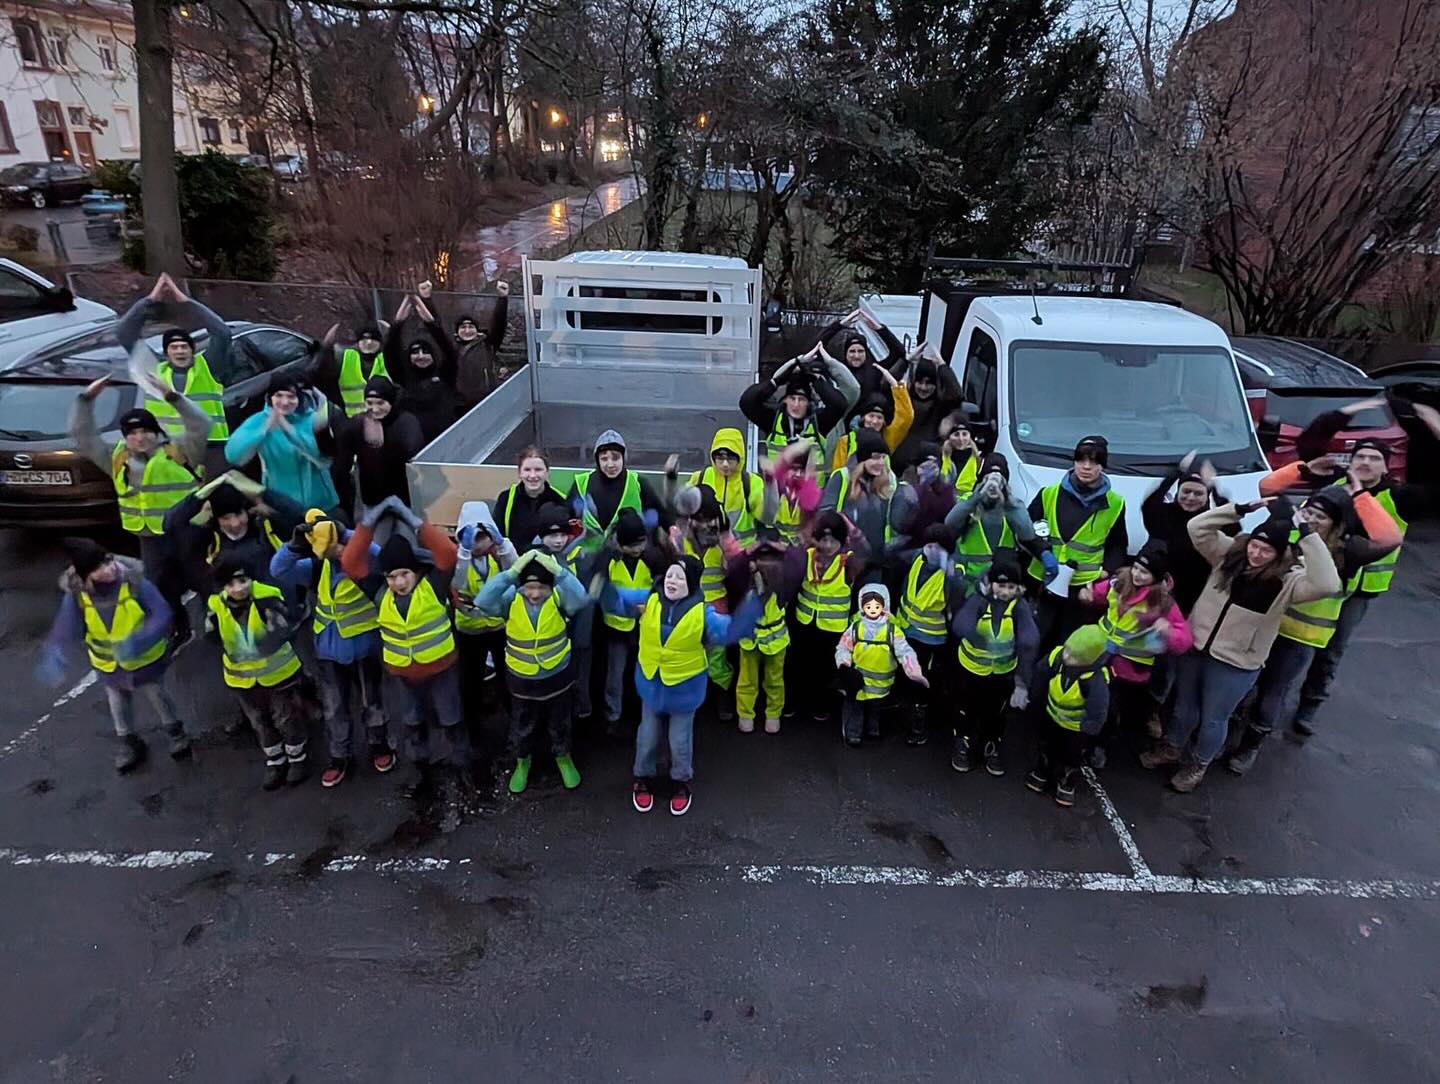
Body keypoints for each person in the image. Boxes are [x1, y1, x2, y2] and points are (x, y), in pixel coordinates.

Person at [1260, 399, 1440, 734]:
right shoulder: (1336, 486)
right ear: (1352, 462)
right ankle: (1268, 700)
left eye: (1375, 458)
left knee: (1331, 650)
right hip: (1317, 579)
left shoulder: (1399, 498)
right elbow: (1311, 442)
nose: (1366, 462)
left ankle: (1309, 706)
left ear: (1385, 467)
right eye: (1361, 457)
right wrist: (1353, 410)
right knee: (1290, 643)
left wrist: (1433, 427)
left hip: (1358, 590)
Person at [1141, 501, 1340, 793]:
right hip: (1197, 647)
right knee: (1183, 709)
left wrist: (1306, 533)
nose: (1256, 554)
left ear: (1279, 555)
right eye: (1254, 545)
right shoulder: (1227, 557)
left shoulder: (1289, 582)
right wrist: (1239, 509)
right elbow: (1197, 527)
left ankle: (1198, 764)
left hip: (1235, 663)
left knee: (1213, 719)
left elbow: (1328, 583)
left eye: (1266, 550)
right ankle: (1171, 748)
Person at [1228, 480, 1401, 773]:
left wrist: (1360, 496)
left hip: (1301, 637)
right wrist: (1305, 470)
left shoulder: (1349, 550)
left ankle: (1251, 745)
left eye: (1321, 516)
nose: (1312, 519)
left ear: (1337, 522)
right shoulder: (1293, 535)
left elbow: (1390, 539)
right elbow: (1268, 487)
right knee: (1245, 683)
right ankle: (1232, 727)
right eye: (1309, 512)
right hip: (1267, 627)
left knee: (1273, 691)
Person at [614, 554, 765, 815]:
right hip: (652, 685)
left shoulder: (703, 614)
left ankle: (680, 782)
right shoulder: (648, 599)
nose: (671, 581)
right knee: (647, 737)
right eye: (670, 575)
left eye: (679, 577)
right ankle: (642, 777)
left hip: (684, 691)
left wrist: (752, 608)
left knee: (679, 741)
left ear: (692, 584)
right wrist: (600, 585)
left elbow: (730, 630)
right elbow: (617, 598)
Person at [70, 374, 209, 644]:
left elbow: (200, 424)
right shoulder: (117, 458)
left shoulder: (179, 451)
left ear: (156, 432)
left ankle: (217, 623)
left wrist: (172, 397)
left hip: (187, 532)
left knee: (203, 580)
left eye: (145, 431)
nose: (140, 437)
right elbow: (82, 435)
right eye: (132, 433)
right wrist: (85, 401)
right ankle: (179, 628)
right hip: (149, 537)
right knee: (159, 586)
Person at [39, 540, 191, 772]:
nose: (109, 569)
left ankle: (175, 732)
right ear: (85, 576)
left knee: (157, 695)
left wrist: (138, 641)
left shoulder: (134, 582)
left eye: (107, 561)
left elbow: (161, 613)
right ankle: (128, 741)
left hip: (145, 661)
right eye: (99, 568)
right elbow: (67, 624)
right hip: (109, 665)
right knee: (118, 703)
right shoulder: (77, 595)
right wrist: (56, 648)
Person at [342, 498, 466, 779]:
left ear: (416, 571)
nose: (398, 582)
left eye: (404, 574)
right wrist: (368, 523)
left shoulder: (433, 586)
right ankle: (421, 768)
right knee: (412, 722)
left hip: (441, 669)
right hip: (404, 676)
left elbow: (448, 553)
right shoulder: (379, 592)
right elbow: (350, 562)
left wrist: (412, 519)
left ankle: (461, 766)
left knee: (451, 719)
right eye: (391, 576)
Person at [271, 509, 395, 789]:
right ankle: (339, 756)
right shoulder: (316, 567)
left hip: (364, 646)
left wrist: (345, 536)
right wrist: (294, 547)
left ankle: (379, 744)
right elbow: (279, 570)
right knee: (334, 706)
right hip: (329, 650)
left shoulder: (363, 559)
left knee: (372, 701)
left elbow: (379, 554)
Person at [474, 548, 589, 795]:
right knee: (522, 724)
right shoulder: (511, 598)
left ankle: (563, 757)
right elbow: (483, 601)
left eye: (541, 587)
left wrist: (559, 572)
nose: (535, 593)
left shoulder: (559, 597)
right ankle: (522, 761)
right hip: (521, 681)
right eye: (529, 587)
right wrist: (510, 574)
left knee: (560, 722)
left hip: (557, 677)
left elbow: (581, 599)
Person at [205, 562, 309, 789]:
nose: (238, 588)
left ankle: (297, 758)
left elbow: (282, 630)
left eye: (243, 581)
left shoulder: (268, 598)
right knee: (260, 722)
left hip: (278, 674)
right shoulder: (216, 605)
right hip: (242, 680)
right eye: (231, 584)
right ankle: (275, 760)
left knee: (285, 718)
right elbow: (211, 635)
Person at [1080, 540, 1193, 749]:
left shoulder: (1162, 602)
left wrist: (1168, 631)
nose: (1137, 575)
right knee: (1090, 699)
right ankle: (1087, 739)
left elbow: (1184, 640)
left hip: (1129, 669)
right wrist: (1088, 595)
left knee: (1111, 709)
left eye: (1144, 572)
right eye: (1136, 568)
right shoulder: (1119, 583)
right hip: (1099, 654)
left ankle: (1100, 745)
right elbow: (1099, 594)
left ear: (1156, 577)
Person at [1027, 436, 1128, 645]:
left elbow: (1118, 545)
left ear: (1102, 466)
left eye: (1094, 462)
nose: (1086, 467)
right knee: (1035, 639)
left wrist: (1106, 572)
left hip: (1083, 586)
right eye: (1081, 460)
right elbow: (1026, 531)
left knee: (1070, 643)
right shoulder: (1048, 493)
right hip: (1045, 578)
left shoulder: (1115, 503)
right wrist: (1042, 552)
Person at [116, 272, 233, 448]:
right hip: (168, 447)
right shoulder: (154, 369)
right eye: (174, 347)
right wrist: (151, 300)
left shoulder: (208, 366)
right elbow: (124, 333)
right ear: (167, 352)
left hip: (209, 445)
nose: (180, 351)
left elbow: (222, 333)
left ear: (192, 350)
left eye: (184, 346)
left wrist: (186, 302)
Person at [950, 554, 1039, 775]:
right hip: (971, 670)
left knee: (996, 713)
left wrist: (1022, 683)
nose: (1006, 592)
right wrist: (977, 638)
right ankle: (964, 741)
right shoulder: (979, 600)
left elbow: (1029, 641)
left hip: (1002, 673)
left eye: (1011, 587)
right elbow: (961, 624)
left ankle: (992, 743)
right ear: (991, 584)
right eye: (1001, 585)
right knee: (966, 709)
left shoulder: (1019, 607)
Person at [165, 470, 305, 588]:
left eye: (239, 514)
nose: (235, 524)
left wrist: (260, 491)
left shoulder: (266, 528)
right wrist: (202, 494)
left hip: (276, 608)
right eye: (226, 518)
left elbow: (300, 516)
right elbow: (171, 523)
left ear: (247, 511)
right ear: (216, 518)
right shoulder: (206, 539)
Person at [594, 509, 666, 735]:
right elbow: (600, 591)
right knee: (615, 675)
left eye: (641, 543)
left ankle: (645, 712)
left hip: (645, 626)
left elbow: (661, 586)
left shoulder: (652, 558)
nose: (638, 549)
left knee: (646, 671)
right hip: (616, 628)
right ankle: (613, 715)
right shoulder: (608, 560)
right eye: (632, 545)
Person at [894, 524, 967, 746]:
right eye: (929, 546)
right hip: (905, 628)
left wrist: (949, 571)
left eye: (938, 548)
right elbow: (897, 557)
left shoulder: (952, 574)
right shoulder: (919, 558)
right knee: (906, 672)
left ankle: (919, 718)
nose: (932, 551)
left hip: (930, 637)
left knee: (922, 678)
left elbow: (956, 600)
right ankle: (906, 707)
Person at [225, 373, 340, 514]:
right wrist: (263, 430)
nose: (285, 402)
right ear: (269, 398)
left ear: (299, 398)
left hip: (322, 504)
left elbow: (324, 460)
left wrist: (288, 429)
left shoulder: (313, 419)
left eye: (291, 396)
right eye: (279, 395)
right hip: (282, 505)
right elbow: (233, 455)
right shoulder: (259, 421)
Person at [789, 510, 865, 721]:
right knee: (799, 665)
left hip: (832, 627)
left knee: (823, 669)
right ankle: (795, 701)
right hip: (805, 622)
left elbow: (866, 552)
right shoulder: (808, 555)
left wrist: (852, 530)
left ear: (842, 541)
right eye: (824, 540)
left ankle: (820, 704)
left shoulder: (849, 562)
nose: (828, 545)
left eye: (834, 541)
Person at [1024, 625, 1111, 808]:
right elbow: (1040, 674)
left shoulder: (1094, 680)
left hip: (1075, 729)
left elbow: (1099, 709)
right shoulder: (1057, 657)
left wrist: (1089, 729)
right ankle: (1043, 770)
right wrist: (1033, 698)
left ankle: (1067, 780)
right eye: (1067, 650)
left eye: (1074, 656)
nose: (1067, 656)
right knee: (1046, 746)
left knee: (1071, 756)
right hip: (1051, 717)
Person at [450, 501, 519, 730]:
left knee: (507, 677)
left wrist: (502, 543)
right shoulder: (458, 559)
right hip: (470, 629)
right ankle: (472, 728)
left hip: (499, 627)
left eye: (482, 537)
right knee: (470, 680)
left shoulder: (498, 555)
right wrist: (464, 552)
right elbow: (457, 584)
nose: (478, 544)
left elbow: (516, 571)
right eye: (472, 538)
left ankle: (514, 723)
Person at [834, 583, 928, 747]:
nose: (872, 609)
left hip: (880, 684)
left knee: (874, 707)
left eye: (877, 606)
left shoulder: (892, 631)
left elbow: (905, 651)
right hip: (859, 682)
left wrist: (914, 671)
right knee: (857, 706)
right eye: (868, 606)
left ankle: (872, 729)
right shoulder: (856, 628)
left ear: (884, 606)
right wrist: (844, 664)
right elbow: (843, 647)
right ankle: (854, 733)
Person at [946, 453, 1055, 591]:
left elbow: (1027, 533)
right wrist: (977, 496)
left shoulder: (1013, 506)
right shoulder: (969, 501)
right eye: (988, 478)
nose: (993, 486)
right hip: (968, 581)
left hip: (1001, 582)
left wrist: (1008, 499)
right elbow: (950, 523)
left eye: (999, 480)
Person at [1140, 452, 1232, 615]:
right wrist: (1177, 472)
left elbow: (1233, 526)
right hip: (1162, 589)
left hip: (1198, 592)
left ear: (1207, 497)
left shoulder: (1212, 520)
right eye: (1186, 491)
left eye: (1198, 493)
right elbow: (1149, 504)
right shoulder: (1164, 515)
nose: (1191, 497)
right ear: (1178, 492)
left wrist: (1214, 488)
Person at [726, 530, 795, 735]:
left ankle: (773, 713)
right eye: (761, 557)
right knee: (747, 679)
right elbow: (733, 568)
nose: (766, 563)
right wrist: (748, 552)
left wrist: (784, 548)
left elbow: (799, 561)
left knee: (774, 680)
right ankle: (745, 713)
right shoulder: (746, 577)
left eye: (771, 557)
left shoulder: (784, 577)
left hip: (776, 640)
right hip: (751, 638)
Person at [330, 376, 425, 516]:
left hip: (406, 499)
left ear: (390, 401)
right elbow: (341, 463)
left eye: (380, 403)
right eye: (369, 403)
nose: (374, 409)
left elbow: (414, 454)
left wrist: (385, 446)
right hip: (373, 500)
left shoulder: (406, 422)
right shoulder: (358, 425)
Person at [740, 347, 850, 468]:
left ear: (808, 402)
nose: (796, 405)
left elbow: (839, 404)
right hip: (780, 480)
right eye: (792, 398)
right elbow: (747, 401)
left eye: (801, 399)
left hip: (811, 481)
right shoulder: (773, 420)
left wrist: (814, 380)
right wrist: (777, 381)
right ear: (785, 400)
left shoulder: (818, 422)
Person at [567, 429, 670, 553]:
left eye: (615, 458)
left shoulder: (638, 483)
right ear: (597, 460)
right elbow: (565, 518)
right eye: (604, 459)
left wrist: (673, 532)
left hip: (627, 557)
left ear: (623, 458)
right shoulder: (581, 483)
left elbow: (663, 516)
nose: (610, 464)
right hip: (587, 559)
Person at [820, 428, 896, 583]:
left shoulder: (886, 482)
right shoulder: (842, 477)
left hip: (875, 562)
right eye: (875, 457)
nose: (880, 463)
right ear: (862, 458)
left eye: (883, 457)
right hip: (844, 561)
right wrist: (849, 528)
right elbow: (825, 512)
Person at [383, 293, 461, 444]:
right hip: (415, 443)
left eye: (425, 352)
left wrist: (431, 323)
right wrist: (398, 324)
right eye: (415, 352)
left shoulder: (445, 374)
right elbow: (390, 353)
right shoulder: (403, 377)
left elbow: (449, 351)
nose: (420, 356)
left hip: (446, 440)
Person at [423, 277, 509, 405]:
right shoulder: (450, 347)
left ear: (477, 330)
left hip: (486, 400)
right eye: (463, 327)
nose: (467, 330)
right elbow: (436, 328)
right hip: (458, 403)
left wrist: (502, 298)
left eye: (471, 327)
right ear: (457, 331)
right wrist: (426, 299)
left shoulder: (487, 345)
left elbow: (499, 324)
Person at [814, 308, 906, 422]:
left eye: (860, 351)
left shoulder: (875, 369)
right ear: (845, 353)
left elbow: (899, 352)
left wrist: (880, 329)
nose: (856, 356)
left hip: (868, 424)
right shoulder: (837, 370)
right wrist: (840, 325)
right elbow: (817, 348)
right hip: (840, 423)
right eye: (852, 351)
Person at [686, 428, 768, 546]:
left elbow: (768, 517)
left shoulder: (752, 483)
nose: (725, 464)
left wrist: (771, 488)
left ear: (740, 458)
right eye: (720, 458)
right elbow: (682, 512)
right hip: (706, 553)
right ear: (713, 457)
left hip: (741, 553)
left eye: (731, 458)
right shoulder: (700, 478)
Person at [890, 347, 963, 475]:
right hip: (896, 468)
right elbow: (886, 385)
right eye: (920, 382)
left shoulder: (940, 406)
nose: (923, 388)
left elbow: (957, 395)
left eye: (929, 383)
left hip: (927, 470)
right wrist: (905, 361)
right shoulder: (904, 400)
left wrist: (942, 366)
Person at [826, 373, 914, 475]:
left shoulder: (887, 438)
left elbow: (906, 417)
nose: (874, 421)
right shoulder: (846, 441)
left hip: (879, 484)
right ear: (863, 418)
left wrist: (896, 387)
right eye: (871, 416)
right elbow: (837, 472)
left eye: (879, 417)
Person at [494, 447, 569, 551]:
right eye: (527, 470)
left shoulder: (561, 501)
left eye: (538, 470)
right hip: (514, 559)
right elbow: (497, 537)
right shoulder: (505, 499)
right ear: (519, 472)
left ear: (547, 472)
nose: (533, 475)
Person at [317, 321, 391, 418]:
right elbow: (324, 372)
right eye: (364, 339)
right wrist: (326, 350)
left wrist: (396, 329)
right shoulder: (343, 357)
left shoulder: (387, 359)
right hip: (352, 419)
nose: (369, 343)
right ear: (357, 343)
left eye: (374, 339)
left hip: (384, 418)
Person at [938, 416, 981, 499]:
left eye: (964, 434)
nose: (961, 439)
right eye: (956, 434)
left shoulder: (977, 459)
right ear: (949, 437)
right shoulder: (941, 457)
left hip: (968, 503)